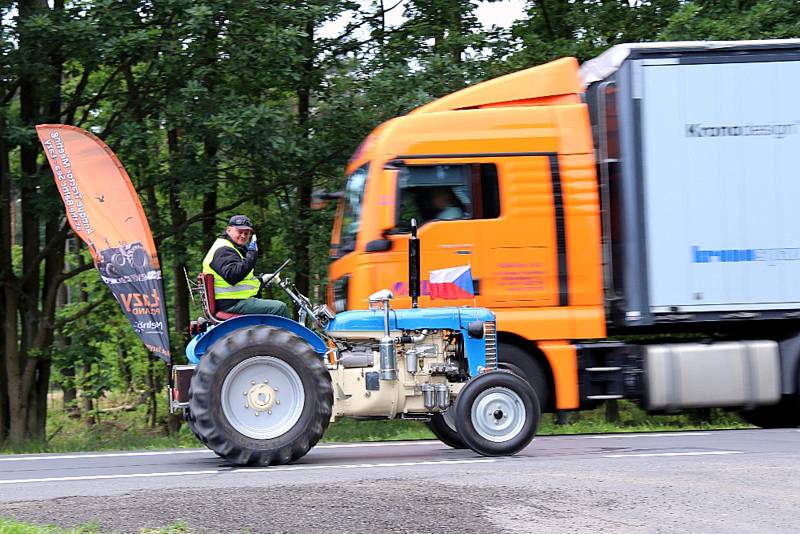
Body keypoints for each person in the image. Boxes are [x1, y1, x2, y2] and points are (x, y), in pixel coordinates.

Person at [202, 214, 290, 318]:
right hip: (231, 303)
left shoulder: (230, 247)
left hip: (232, 300)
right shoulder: (223, 249)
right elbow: (233, 277)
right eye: (239, 232)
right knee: (279, 308)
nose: (243, 236)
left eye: (246, 233)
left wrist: (262, 279)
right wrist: (252, 255)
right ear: (229, 230)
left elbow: (241, 279)